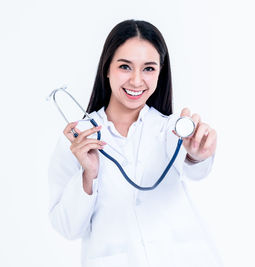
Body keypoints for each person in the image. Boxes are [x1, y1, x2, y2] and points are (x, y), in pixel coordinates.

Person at [48, 19, 220, 267]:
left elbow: (197, 171)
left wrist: (196, 155)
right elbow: (67, 228)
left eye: (149, 68)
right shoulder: (78, 139)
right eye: (125, 67)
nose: (137, 81)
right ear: (107, 68)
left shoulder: (171, 128)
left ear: (160, 72)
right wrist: (89, 175)